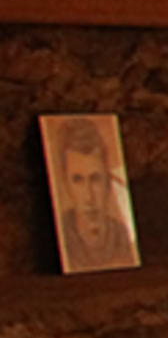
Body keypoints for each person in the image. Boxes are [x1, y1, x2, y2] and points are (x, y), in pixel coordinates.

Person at [44, 115, 133, 272]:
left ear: (107, 180)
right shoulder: (64, 237)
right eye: (78, 180)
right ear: (65, 183)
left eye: (95, 179)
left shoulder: (123, 236)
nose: (89, 197)